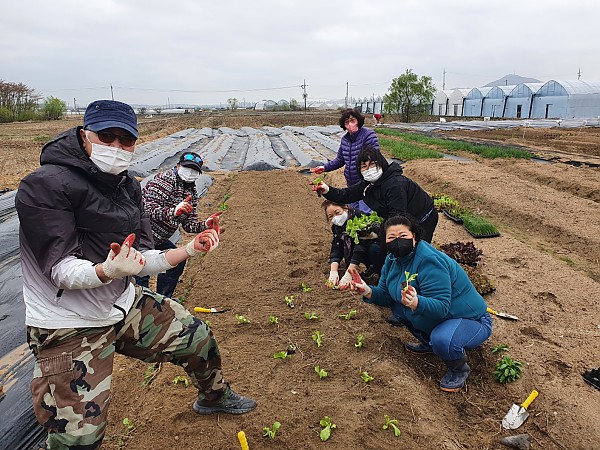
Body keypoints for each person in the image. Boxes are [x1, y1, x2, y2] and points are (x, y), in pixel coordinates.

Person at [15, 100, 256, 450]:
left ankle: (214, 397)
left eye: (125, 140)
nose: (116, 147)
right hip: (67, 323)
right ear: (85, 136)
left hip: (123, 303)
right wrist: (107, 270)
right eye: (106, 136)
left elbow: (144, 256)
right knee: (78, 438)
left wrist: (190, 248)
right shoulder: (44, 186)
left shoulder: (128, 187)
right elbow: (59, 270)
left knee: (196, 337)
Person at [348, 215, 493, 392]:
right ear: (385, 241)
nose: (397, 241)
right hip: (442, 317)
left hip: (470, 319)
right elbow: (386, 295)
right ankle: (428, 343)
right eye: (391, 238)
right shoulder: (392, 260)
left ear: (414, 237)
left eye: (403, 235)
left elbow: (441, 307)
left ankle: (458, 369)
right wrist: (367, 290)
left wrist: (416, 302)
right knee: (399, 310)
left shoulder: (429, 261)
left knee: (443, 339)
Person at [134, 151, 221, 299]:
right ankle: (140, 303)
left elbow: (188, 225)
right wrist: (173, 211)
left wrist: (205, 224)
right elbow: (147, 210)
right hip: (141, 234)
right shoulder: (164, 181)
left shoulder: (191, 192)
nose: (190, 173)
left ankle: (163, 299)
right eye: (187, 168)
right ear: (178, 165)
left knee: (177, 262)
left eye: (194, 170)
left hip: (159, 239)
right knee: (141, 269)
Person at [313, 145, 438, 243]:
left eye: (372, 164)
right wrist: (326, 189)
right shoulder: (368, 184)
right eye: (364, 166)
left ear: (381, 163)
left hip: (423, 218)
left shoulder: (395, 185)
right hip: (402, 216)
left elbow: (398, 216)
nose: (369, 169)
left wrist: (377, 231)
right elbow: (347, 194)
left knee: (414, 246)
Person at [311, 108, 380, 213]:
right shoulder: (345, 140)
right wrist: (324, 167)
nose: (350, 124)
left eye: (352, 120)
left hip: (365, 184)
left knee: (366, 214)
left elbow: (374, 157)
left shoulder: (368, 135)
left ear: (358, 121)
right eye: (347, 122)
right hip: (351, 185)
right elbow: (340, 159)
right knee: (352, 213)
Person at [322, 200, 382, 288]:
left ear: (345, 208)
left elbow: (360, 247)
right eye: (331, 216)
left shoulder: (360, 219)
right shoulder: (337, 227)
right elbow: (337, 246)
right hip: (359, 252)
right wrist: (333, 272)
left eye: (337, 212)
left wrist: (348, 274)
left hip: (376, 251)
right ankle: (368, 271)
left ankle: (378, 273)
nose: (335, 217)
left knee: (373, 249)